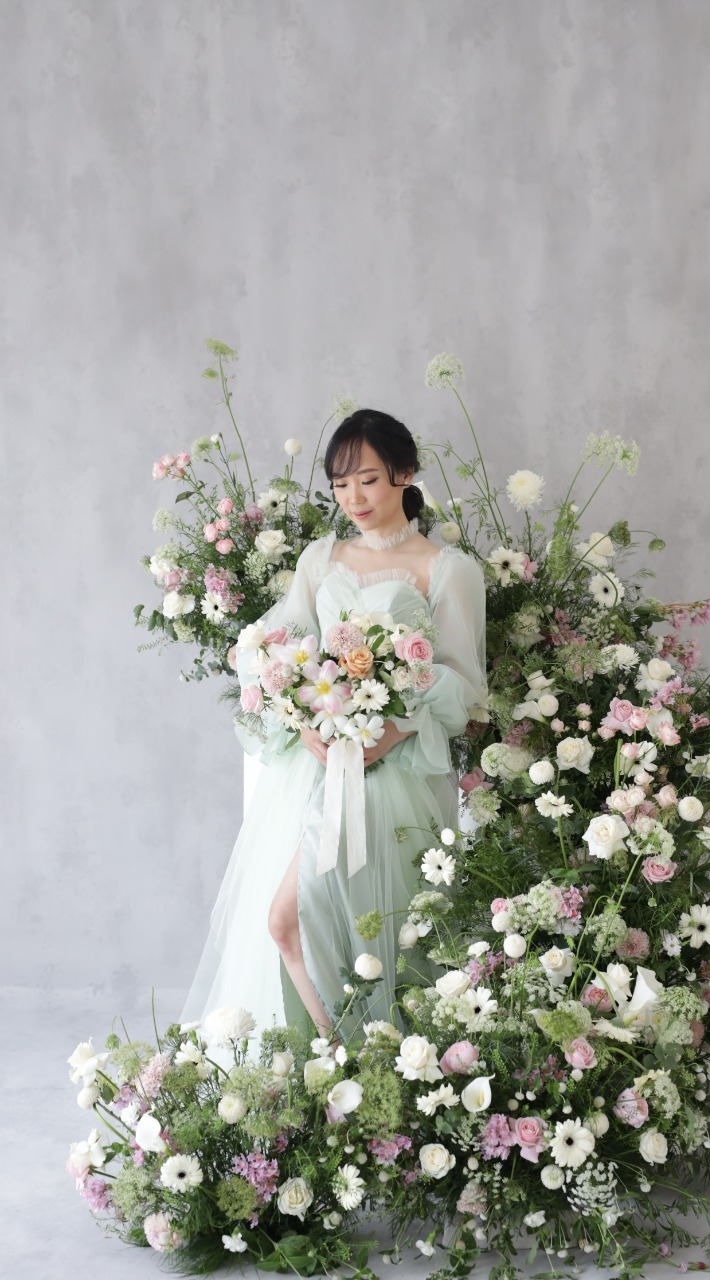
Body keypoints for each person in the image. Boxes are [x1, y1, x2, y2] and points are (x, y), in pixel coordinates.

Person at [179, 409, 488, 1043]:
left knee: (380, 935)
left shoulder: (447, 569)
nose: (354, 499)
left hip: (397, 774)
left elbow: (463, 686)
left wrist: (394, 729)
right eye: (340, 485)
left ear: (405, 473)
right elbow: (279, 650)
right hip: (320, 768)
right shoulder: (321, 559)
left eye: (368, 480)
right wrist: (302, 718)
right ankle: (340, 1065)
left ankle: (381, 1067)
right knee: (291, 924)